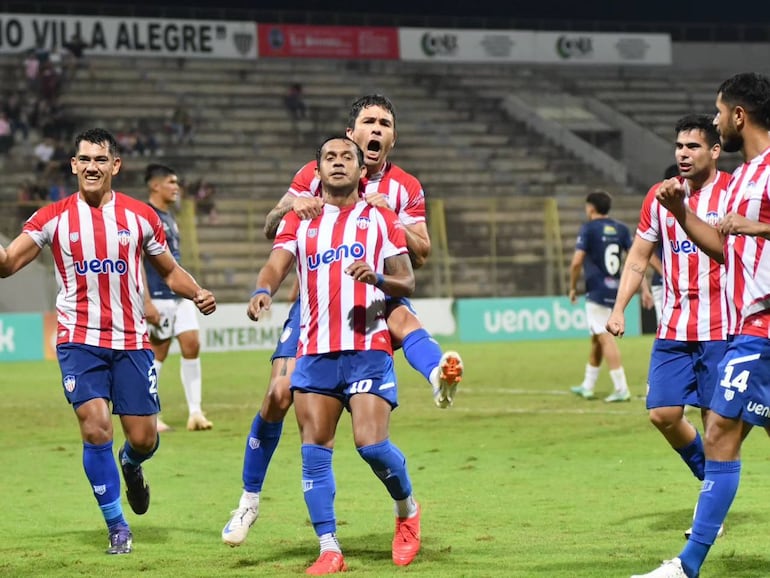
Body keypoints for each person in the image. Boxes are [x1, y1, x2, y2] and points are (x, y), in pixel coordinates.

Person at [221, 94, 463, 547]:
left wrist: (388, 216)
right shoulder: (317, 172)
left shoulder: (404, 187)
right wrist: (294, 207)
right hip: (315, 307)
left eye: (384, 123)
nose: (376, 129)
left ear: (392, 137)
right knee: (276, 394)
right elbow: (272, 227)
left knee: (403, 320)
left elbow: (422, 254)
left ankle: (437, 376)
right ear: (352, 132)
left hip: (373, 293)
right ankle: (249, 500)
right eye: (368, 121)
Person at [0, 128, 216, 555]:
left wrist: (197, 292)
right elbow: (7, 263)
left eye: (101, 160)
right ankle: (117, 525)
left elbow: (169, 270)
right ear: (74, 165)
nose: (92, 167)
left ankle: (131, 465)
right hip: (78, 341)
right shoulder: (52, 218)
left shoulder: (140, 217)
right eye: (85, 160)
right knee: (95, 426)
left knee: (143, 439)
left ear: (115, 166)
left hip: (132, 340)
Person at [247, 136, 420, 574]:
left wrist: (378, 279)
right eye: (329, 157)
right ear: (317, 169)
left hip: (365, 346)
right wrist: (263, 290)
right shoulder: (301, 218)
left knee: (372, 444)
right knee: (314, 450)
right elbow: (275, 263)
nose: (338, 163)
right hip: (315, 349)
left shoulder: (379, 217)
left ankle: (407, 511)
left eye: (347, 157)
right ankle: (329, 548)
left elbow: (406, 282)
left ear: (363, 171)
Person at [631, 72, 770, 578]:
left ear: (738, 116)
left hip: (762, 327)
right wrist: (683, 214)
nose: (714, 121)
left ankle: (687, 566)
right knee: (718, 432)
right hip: (754, 328)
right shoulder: (749, 177)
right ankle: (687, 567)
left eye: (717, 113)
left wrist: (760, 226)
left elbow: (751, 233)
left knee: (719, 431)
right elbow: (724, 250)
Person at [606, 114, 730, 540]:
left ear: (714, 150)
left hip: (722, 327)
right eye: (679, 146)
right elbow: (639, 257)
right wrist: (620, 307)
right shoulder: (657, 197)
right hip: (674, 327)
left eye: (693, 146)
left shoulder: (732, 192)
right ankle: (708, 483)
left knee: (716, 427)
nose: (682, 153)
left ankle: (711, 511)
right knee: (662, 413)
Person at [142, 163, 213, 432]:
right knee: (157, 353)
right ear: (154, 185)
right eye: (171, 182)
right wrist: (145, 301)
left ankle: (195, 413)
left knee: (192, 343)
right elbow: (136, 260)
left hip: (178, 296)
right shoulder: (145, 215)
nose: (177, 188)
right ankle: (149, 414)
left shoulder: (169, 217)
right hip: (157, 294)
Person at [568, 190, 634, 402]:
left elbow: (577, 261)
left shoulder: (588, 229)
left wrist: (571, 287)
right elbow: (635, 257)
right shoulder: (621, 229)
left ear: (591, 208)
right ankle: (588, 385)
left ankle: (621, 387)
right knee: (597, 337)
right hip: (617, 289)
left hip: (596, 289)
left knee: (604, 337)